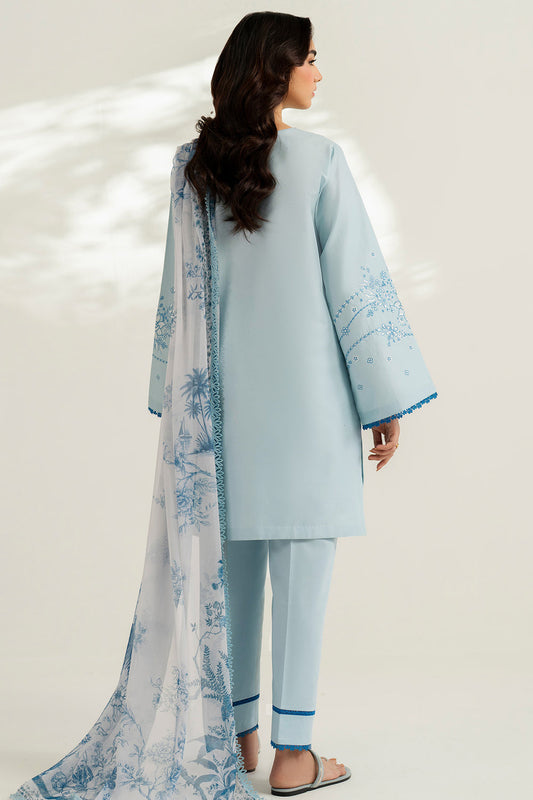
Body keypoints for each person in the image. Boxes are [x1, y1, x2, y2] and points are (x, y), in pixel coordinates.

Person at [149, 11, 437, 796]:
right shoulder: (317, 160)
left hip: (222, 415)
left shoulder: (191, 167)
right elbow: (354, 286)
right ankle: (293, 756)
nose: (318, 71)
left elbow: (177, 295)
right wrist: (382, 399)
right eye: (308, 58)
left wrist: (171, 401)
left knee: (234, 578)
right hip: (308, 409)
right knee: (303, 583)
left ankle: (238, 738)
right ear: (272, 70)